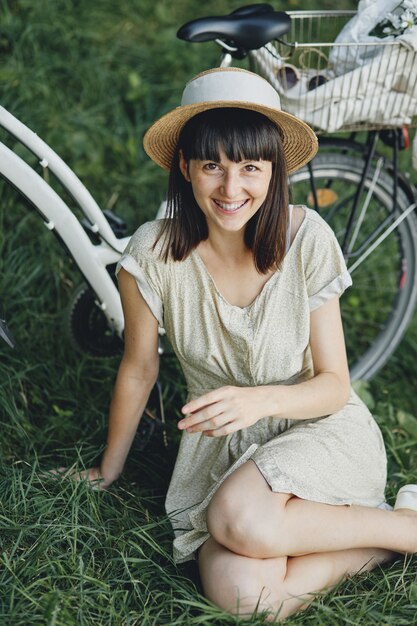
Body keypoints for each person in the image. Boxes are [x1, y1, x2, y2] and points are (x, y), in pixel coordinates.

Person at [72, 68, 417, 621]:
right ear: (184, 167)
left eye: (251, 168)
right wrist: (108, 468)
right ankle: (386, 534)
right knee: (247, 601)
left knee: (243, 520)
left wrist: (260, 400)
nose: (232, 190)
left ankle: (408, 530)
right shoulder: (152, 257)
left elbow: (333, 387)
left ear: (275, 171)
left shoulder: (307, 239)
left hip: (320, 431)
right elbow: (139, 370)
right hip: (223, 454)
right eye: (213, 166)